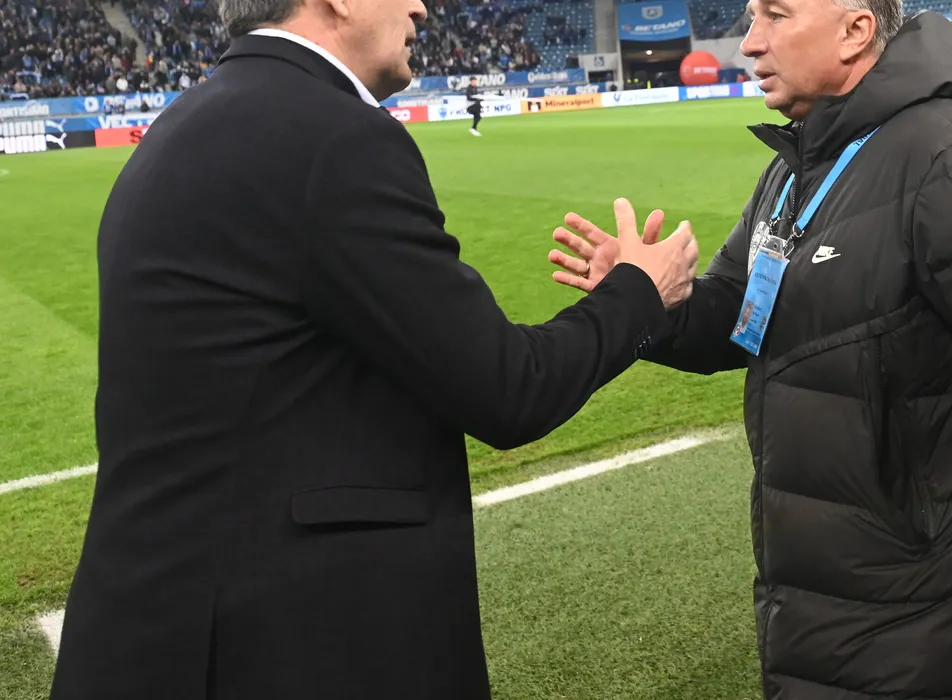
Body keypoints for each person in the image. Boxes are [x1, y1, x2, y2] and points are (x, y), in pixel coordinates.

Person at [47, 0, 700, 697]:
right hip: (272, 647)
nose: (422, 6)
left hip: (152, 632)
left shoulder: (185, 125)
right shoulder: (331, 136)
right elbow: (510, 388)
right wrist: (639, 291)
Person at [548, 4, 952, 699]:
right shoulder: (798, 167)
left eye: (775, 15)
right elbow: (743, 310)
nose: (749, 43)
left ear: (855, 31)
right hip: (822, 593)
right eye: (749, 17)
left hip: (936, 603)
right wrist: (650, 298)